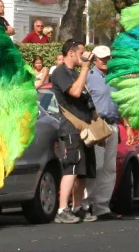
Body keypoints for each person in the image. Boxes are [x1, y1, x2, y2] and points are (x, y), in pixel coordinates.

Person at [50, 40, 96, 223]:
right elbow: (75, 92)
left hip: (84, 129)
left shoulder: (76, 73)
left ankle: (77, 207)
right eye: (81, 52)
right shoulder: (60, 72)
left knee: (82, 171)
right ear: (71, 53)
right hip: (71, 128)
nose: (84, 56)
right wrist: (85, 68)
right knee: (72, 168)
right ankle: (62, 209)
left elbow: (86, 99)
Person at [84, 45, 121, 220]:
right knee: (96, 166)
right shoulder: (89, 77)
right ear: (95, 59)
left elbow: (120, 102)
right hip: (98, 124)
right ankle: (85, 204)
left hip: (113, 124)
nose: (106, 61)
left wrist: (126, 126)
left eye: (107, 58)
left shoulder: (114, 77)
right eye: (102, 58)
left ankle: (102, 206)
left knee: (109, 168)